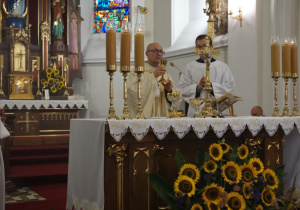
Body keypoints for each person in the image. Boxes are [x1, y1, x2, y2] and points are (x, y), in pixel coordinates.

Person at [178, 34, 235, 117]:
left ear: (211, 47)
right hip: (196, 112)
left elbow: (230, 86)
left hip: (216, 112)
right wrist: (197, 88)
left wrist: (211, 87)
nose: (202, 49)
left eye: (204, 46)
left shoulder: (222, 66)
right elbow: (181, 89)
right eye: (199, 47)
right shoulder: (189, 67)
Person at [127, 43, 180, 118]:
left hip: (163, 118)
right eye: (155, 51)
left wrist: (168, 91)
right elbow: (132, 91)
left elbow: (176, 98)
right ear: (146, 54)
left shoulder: (165, 74)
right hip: (144, 119)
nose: (159, 54)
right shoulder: (137, 71)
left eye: (161, 51)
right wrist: (153, 76)